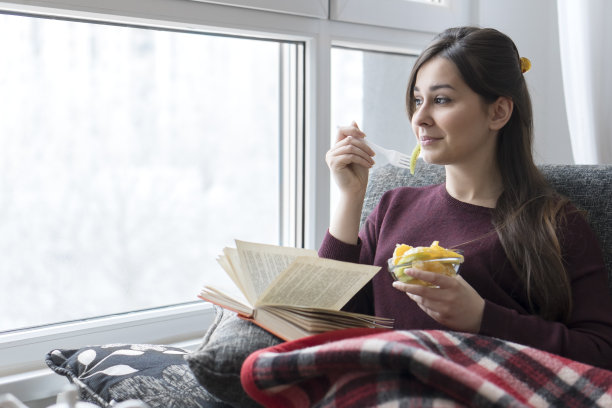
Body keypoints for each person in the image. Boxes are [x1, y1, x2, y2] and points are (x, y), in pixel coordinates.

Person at [319, 26, 612, 369]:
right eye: (417, 100)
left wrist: (482, 318)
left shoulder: (555, 225)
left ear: (498, 112)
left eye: (441, 100)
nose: (420, 118)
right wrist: (350, 196)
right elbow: (328, 316)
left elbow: (601, 353)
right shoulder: (391, 208)